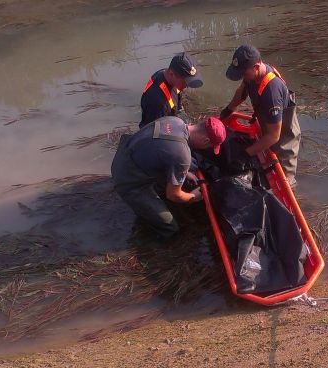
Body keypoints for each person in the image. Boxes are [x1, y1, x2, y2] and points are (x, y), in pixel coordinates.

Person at [111, 116, 225, 240]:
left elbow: (163, 149)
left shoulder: (175, 121)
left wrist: (184, 172)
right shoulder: (182, 156)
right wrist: (193, 197)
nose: (207, 149)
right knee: (170, 228)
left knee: (175, 183)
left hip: (125, 153)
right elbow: (173, 195)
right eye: (209, 147)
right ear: (206, 141)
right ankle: (146, 241)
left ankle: (149, 208)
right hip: (127, 178)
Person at [219, 44, 301, 186]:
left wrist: (246, 154)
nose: (242, 77)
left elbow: (274, 136)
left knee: (283, 183)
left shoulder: (271, 91)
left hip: (282, 142)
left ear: (256, 67)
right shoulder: (252, 74)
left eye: (243, 74)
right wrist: (230, 108)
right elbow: (242, 91)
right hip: (268, 129)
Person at [139, 52, 203, 129]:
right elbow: (153, 134)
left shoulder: (167, 75)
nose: (187, 86)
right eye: (185, 82)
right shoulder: (158, 102)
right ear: (171, 74)